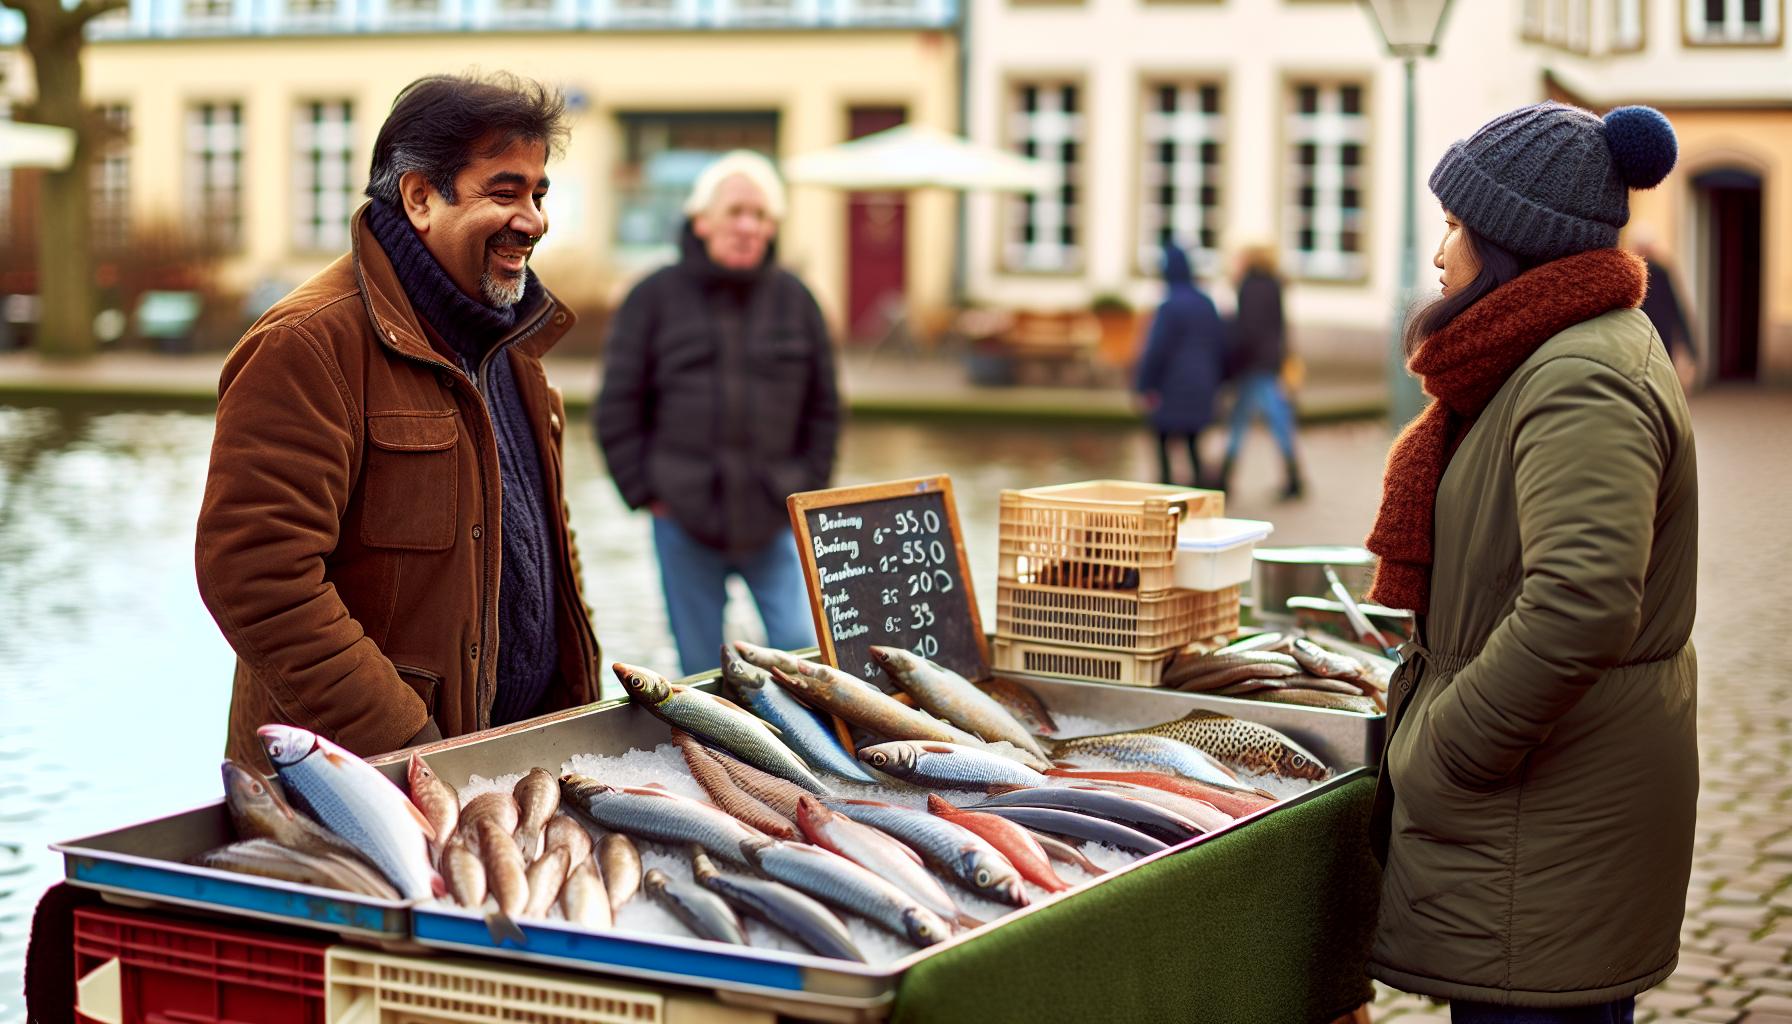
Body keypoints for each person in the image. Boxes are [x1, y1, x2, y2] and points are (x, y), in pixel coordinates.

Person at [1364, 101, 1696, 1023]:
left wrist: (1440, 754)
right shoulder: (1548, 354)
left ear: (1510, 243)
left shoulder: (1580, 374)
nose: (1439, 256)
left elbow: (1582, 603)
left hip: (1544, 822)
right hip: (1551, 815)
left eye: (1455, 227)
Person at [196, 73, 603, 772]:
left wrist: (577, 723)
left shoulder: (510, 343)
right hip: (355, 793)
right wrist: (412, 752)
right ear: (419, 196)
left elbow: (545, 555)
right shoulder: (308, 343)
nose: (533, 219)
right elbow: (257, 574)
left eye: (538, 195)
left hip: (516, 773)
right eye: (504, 192)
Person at [596, 151, 839, 677]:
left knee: (802, 653)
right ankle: (721, 760)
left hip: (774, 514)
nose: (749, 226)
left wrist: (805, 486)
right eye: (736, 212)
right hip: (682, 516)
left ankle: (801, 758)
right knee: (700, 671)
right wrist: (646, 492)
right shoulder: (652, 298)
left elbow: (825, 410)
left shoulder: (797, 301)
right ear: (701, 221)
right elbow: (617, 405)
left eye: (761, 215)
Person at [1134, 241, 1226, 488]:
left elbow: (1155, 350)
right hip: (1202, 384)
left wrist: (1144, 386)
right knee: (1193, 442)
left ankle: (1165, 492)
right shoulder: (1206, 303)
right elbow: (1220, 344)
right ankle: (1201, 496)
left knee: (1163, 442)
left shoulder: (1168, 306)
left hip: (1171, 386)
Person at [1220, 245, 1303, 499]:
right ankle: (1293, 476)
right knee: (1268, 417)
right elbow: (1279, 327)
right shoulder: (1274, 284)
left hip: (1253, 364)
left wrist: (1233, 363)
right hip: (1268, 361)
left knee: (1247, 419)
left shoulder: (1249, 286)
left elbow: (1248, 330)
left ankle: (1225, 477)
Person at [1630, 225, 1698, 381]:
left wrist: (1688, 344)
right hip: (1645, 337)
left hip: (1658, 337)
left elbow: (1675, 306)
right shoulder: (1632, 272)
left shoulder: (1660, 271)